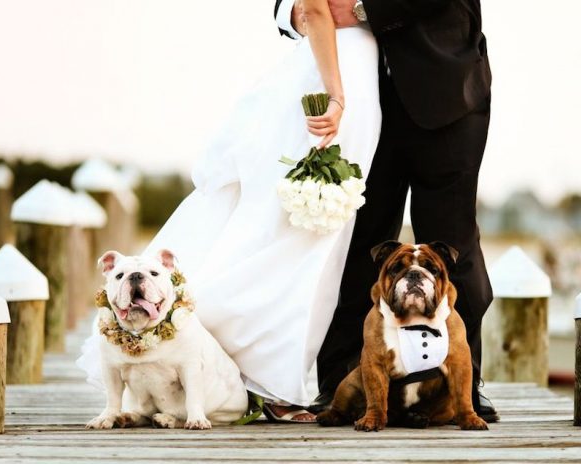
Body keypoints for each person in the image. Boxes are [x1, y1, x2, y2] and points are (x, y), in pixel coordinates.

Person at [78, 0, 382, 422]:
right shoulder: (340, 72)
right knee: (292, 236)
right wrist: (336, 93)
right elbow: (312, 7)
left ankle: (253, 371)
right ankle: (255, 372)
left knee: (311, 240)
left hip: (349, 69)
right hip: (335, 75)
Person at [275, 0, 499, 421]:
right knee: (356, 242)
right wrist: (294, 12)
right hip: (357, 102)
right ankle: (342, 380)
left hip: (446, 90)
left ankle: (465, 382)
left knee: (453, 243)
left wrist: (363, 10)